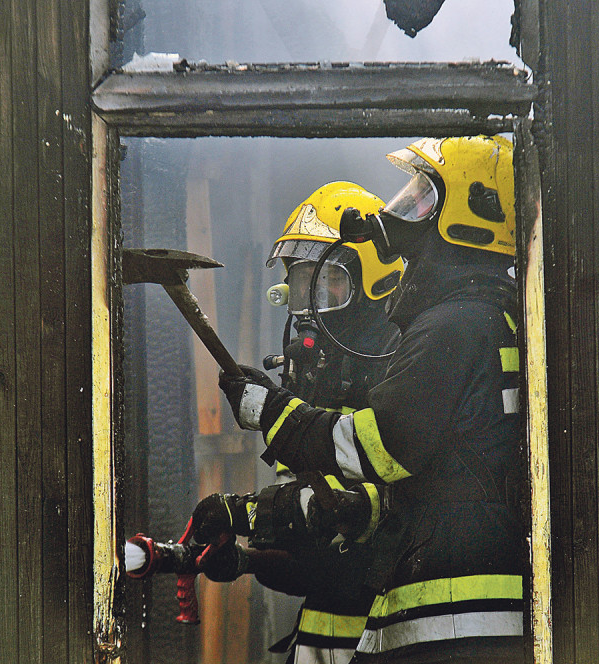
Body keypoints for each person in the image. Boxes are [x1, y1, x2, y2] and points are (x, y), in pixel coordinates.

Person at [218, 135, 528, 663]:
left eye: (423, 196)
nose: (402, 210)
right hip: (445, 611)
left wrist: (270, 413)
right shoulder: (483, 319)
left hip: (449, 619)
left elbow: (378, 447)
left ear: (471, 216)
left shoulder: (451, 327)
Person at [129, 181, 405, 664]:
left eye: (330, 283)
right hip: (321, 646)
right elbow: (312, 559)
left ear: (376, 282)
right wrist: (247, 559)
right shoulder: (303, 400)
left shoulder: (402, 374)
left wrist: (247, 510)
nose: (311, 307)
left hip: (387, 642)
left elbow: (369, 524)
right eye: (302, 285)